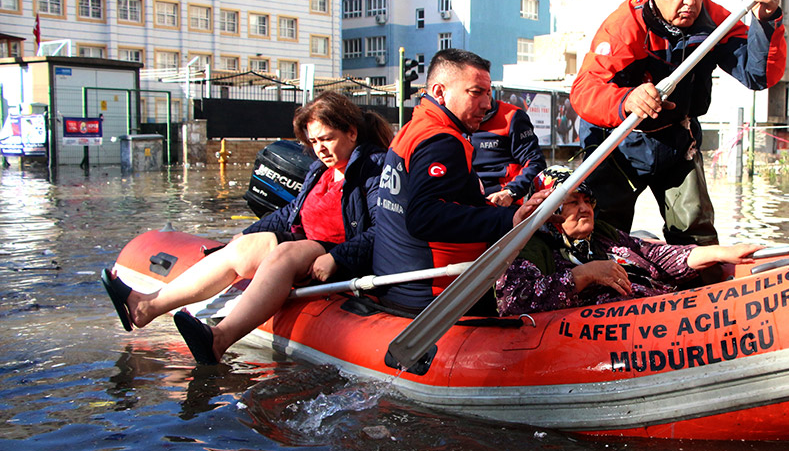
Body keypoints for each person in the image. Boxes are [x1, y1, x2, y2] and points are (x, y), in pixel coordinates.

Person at [101, 92, 393, 364]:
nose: (319, 149)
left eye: (326, 139)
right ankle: (146, 307)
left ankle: (219, 338)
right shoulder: (321, 171)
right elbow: (292, 213)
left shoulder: (373, 169)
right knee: (242, 248)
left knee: (287, 253)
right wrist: (247, 233)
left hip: (339, 255)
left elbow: (382, 229)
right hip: (306, 242)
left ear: (351, 132)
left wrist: (337, 258)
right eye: (314, 141)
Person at [570, 0, 786, 247]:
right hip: (618, 142)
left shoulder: (716, 20)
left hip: (677, 139)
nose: (691, 0)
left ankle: (702, 285)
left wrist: (766, 22)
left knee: (695, 232)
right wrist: (626, 99)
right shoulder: (624, 26)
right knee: (603, 233)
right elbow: (584, 91)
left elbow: (759, 75)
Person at [372, 48, 553, 313]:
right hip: (435, 295)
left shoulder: (414, 128)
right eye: (475, 92)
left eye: (488, 93)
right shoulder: (441, 141)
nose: (487, 104)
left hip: (402, 284)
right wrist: (509, 219)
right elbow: (424, 216)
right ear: (439, 91)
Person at [495, 166, 763, 316]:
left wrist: (720, 252)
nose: (584, 208)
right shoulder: (530, 246)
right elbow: (515, 301)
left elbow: (656, 256)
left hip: (660, 308)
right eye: (572, 203)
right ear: (548, 209)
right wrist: (583, 275)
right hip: (613, 334)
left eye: (588, 201)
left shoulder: (603, 234)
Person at [472, 97, 547, 206]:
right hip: (460, 204)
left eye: (486, 90)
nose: (485, 99)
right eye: (476, 92)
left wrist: (510, 192)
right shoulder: (447, 121)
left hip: (500, 204)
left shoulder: (512, 117)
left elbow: (535, 162)